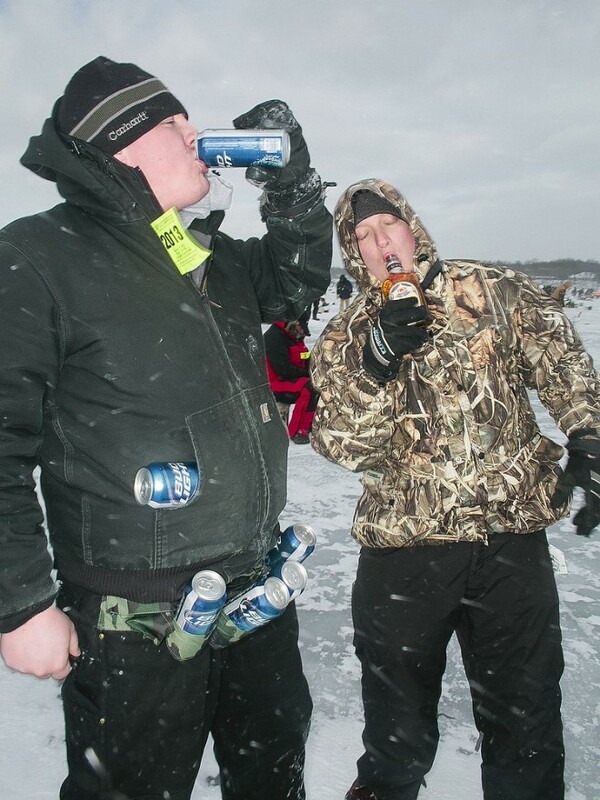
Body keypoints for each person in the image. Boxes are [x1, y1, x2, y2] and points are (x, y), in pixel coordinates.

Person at [0, 56, 332, 800]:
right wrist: (18, 603)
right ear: (122, 145)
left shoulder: (206, 255)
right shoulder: (37, 256)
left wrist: (292, 182)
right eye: (173, 122)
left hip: (257, 601)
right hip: (134, 632)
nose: (195, 134)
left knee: (275, 783)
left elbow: (298, 279)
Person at [309, 178, 600, 800]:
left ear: (413, 228)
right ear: (354, 254)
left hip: (510, 540)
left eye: (388, 225)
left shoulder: (492, 289)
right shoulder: (344, 336)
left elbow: (560, 356)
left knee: (526, 725)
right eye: (362, 236)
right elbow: (340, 443)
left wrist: (590, 435)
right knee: (397, 740)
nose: (379, 241)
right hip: (403, 552)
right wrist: (378, 363)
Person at [264, 318, 319, 444]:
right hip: (275, 382)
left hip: (292, 379)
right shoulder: (274, 338)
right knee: (308, 388)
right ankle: (297, 430)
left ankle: (309, 424)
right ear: (295, 324)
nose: (302, 334)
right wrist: (307, 374)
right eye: (301, 330)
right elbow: (283, 370)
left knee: (319, 384)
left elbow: (302, 357)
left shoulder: (294, 336)